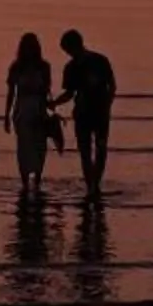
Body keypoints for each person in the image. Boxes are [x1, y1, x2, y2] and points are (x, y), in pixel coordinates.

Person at [58, 27, 117, 196]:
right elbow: (70, 93)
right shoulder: (71, 67)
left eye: (68, 50)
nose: (69, 54)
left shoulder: (99, 61)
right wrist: (54, 103)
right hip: (83, 113)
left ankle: (95, 183)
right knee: (85, 152)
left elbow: (112, 85)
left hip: (99, 112)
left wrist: (108, 104)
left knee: (100, 148)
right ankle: (91, 185)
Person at [3, 31, 54, 203]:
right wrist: (7, 116)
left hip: (39, 109)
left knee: (40, 147)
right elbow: (11, 93)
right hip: (22, 110)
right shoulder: (16, 67)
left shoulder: (44, 67)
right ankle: (25, 182)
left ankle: (37, 179)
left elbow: (46, 91)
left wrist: (49, 108)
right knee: (24, 148)